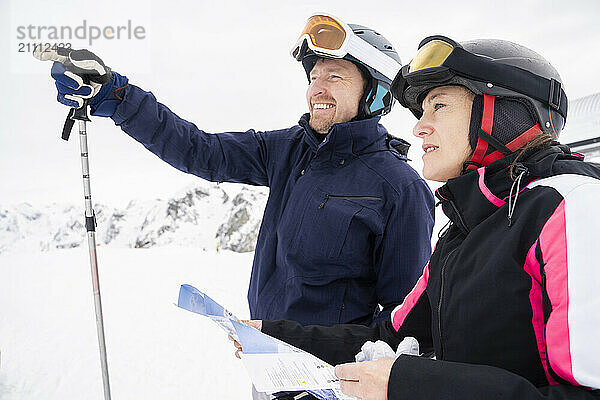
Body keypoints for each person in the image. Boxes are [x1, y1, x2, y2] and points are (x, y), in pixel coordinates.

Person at [239, 36, 600, 399]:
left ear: (505, 114)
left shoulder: (571, 206)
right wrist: (272, 334)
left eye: (439, 106)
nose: (418, 127)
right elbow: (391, 336)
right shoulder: (462, 231)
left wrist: (408, 384)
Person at [35, 15, 434, 328]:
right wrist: (116, 95)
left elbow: (403, 315)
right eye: (314, 77)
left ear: (376, 92)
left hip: (333, 382)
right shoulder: (288, 150)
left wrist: (350, 374)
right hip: (267, 365)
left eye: (334, 76)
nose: (317, 88)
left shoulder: (399, 188)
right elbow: (200, 151)